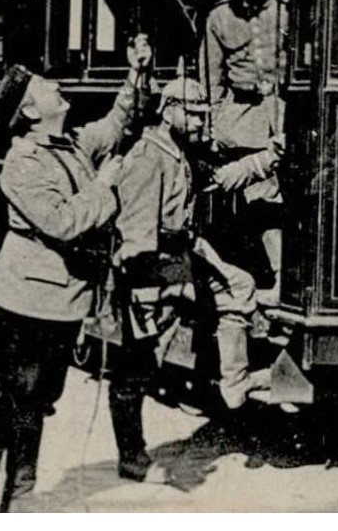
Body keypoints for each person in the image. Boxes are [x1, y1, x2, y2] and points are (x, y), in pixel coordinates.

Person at [0, 38, 151, 511]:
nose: (58, 86)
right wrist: (106, 189)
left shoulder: (70, 144)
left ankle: (16, 494)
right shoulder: (23, 162)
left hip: (61, 301)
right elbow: (61, 221)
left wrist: (136, 74)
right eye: (47, 87)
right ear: (30, 110)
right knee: (9, 399)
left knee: (39, 399)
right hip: (23, 301)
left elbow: (116, 124)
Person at [105, 76, 264, 459]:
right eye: (192, 114)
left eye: (201, 115)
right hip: (157, 263)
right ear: (168, 110)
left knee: (238, 286)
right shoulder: (147, 157)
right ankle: (131, 450)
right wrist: (146, 291)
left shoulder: (177, 150)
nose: (198, 122)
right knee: (142, 361)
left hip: (186, 250)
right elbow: (137, 231)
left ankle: (234, 384)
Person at [200, 0, 288, 306]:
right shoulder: (219, 18)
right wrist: (215, 125)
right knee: (261, 196)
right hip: (244, 118)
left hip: (284, 110)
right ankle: (278, 276)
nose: (246, 1)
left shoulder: (283, 8)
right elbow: (212, 76)